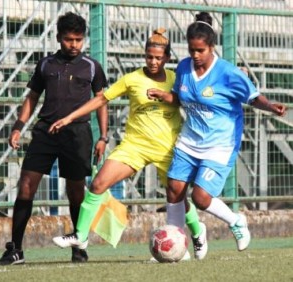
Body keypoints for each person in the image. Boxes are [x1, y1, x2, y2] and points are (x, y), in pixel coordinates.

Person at [49, 28, 208, 261]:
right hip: (134, 147)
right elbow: (102, 98)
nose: (153, 61)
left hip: (168, 149)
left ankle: (197, 231)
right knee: (98, 184)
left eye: (158, 57)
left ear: (167, 58)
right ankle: (81, 236)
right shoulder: (132, 79)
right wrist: (69, 117)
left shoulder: (176, 79)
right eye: (149, 56)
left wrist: (168, 97)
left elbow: (192, 97)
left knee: (178, 199)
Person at [147, 12, 287, 252]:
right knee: (174, 189)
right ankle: (177, 245)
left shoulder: (227, 73)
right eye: (191, 50)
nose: (195, 55)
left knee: (200, 198)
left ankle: (236, 221)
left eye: (200, 50)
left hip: (219, 144)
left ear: (212, 47)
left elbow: (253, 98)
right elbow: (181, 99)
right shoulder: (183, 68)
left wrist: (271, 107)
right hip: (190, 140)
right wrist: (165, 96)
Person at [0, 12, 108, 265]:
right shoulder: (46, 64)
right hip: (45, 132)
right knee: (25, 186)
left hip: (77, 134)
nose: (74, 44)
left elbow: (101, 102)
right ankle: (16, 250)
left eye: (79, 39)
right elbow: (32, 98)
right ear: (59, 38)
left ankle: (78, 246)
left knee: (76, 192)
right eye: (69, 39)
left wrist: (103, 136)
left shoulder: (91, 66)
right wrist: (17, 126)